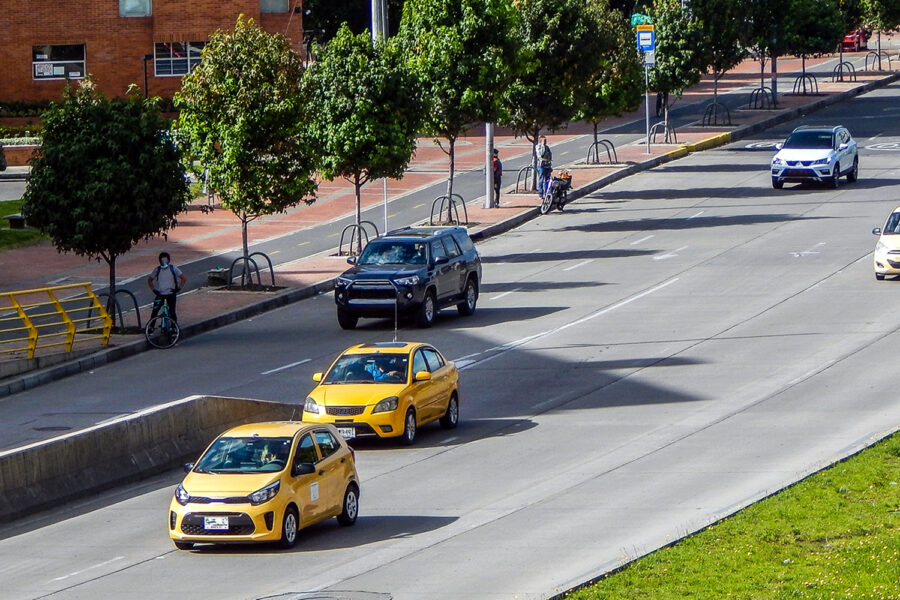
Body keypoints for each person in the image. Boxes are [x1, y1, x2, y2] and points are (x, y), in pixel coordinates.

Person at [148, 251, 186, 324]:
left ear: (169, 260)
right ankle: (151, 327)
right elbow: (149, 280)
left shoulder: (173, 268)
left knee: (172, 311)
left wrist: (178, 288)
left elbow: (183, 278)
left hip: (171, 293)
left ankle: (174, 327)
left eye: (166, 260)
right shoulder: (157, 270)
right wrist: (154, 290)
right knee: (155, 311)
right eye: (162, 260)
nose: (164, 262)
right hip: (160, 294)